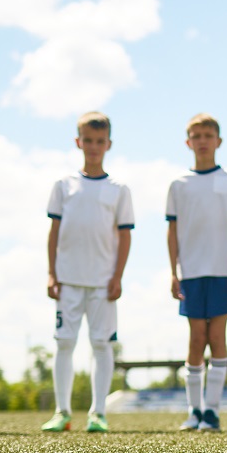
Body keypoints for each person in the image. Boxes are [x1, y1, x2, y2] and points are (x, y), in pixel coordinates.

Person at [41, 111, 134, 433]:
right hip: (67, 279)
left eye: (100, 142)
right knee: (64, 344)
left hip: (103, 282)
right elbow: (53, 231)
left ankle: (98, 413)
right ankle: (62, 412)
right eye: (88, 141)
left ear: (108, 144)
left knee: (101, 345)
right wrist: (52, 273)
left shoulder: (118, 188)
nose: (94, 147)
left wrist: (117, 276)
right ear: (78, 142)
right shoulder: (63, 185)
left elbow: (125, 235)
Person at [166, 113, 227, 433]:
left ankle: (212, 411)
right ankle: (194, 411)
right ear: (188, 143)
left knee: (217, 337)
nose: (202, 141)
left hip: (223, 271)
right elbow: (172, 231)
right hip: (191, 272)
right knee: (195, 339)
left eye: (208, 135)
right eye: (196, 136)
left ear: (218, 141)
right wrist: (173, 272)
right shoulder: (178, 184)